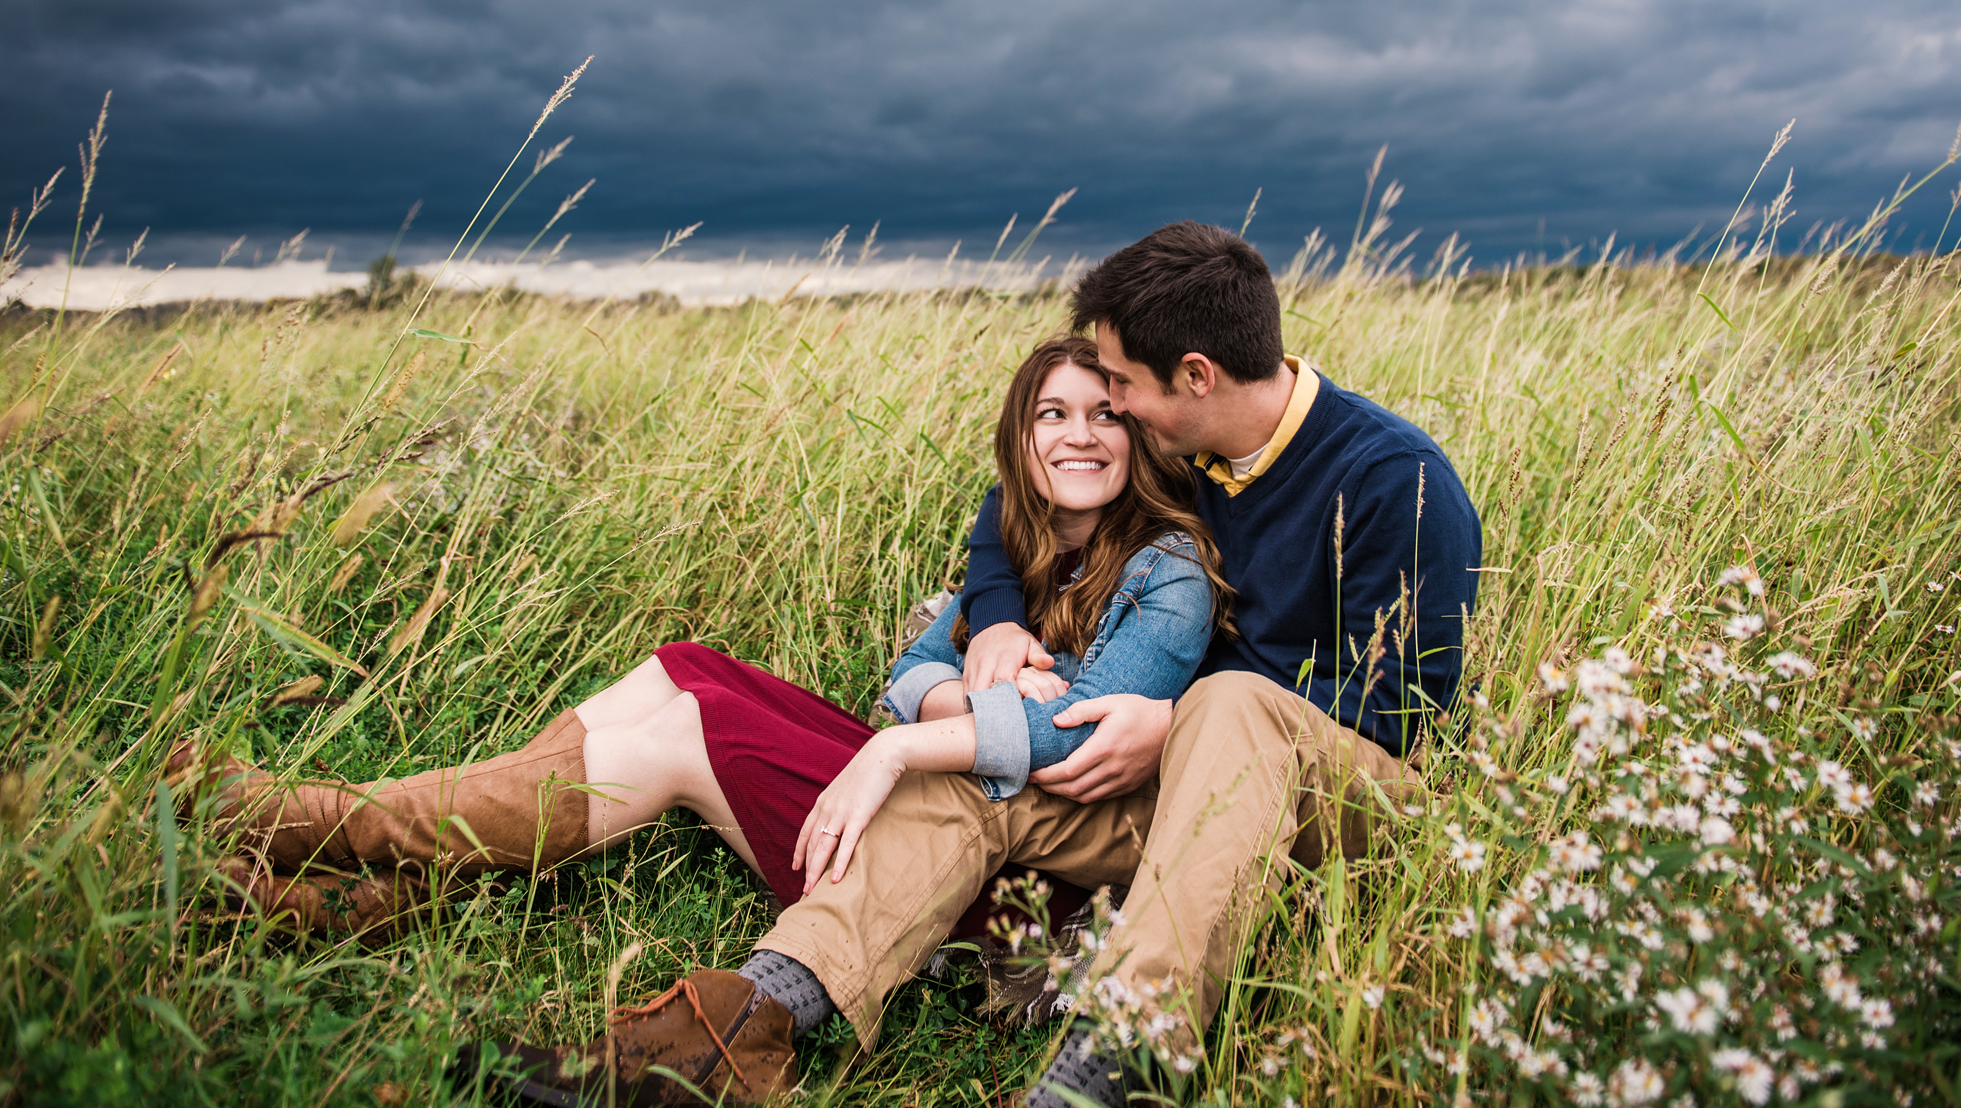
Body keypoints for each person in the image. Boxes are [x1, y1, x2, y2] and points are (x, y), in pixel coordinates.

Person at [477, 222, 1482, 1107]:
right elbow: (1019, 504)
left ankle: (1119, 1062)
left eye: (1120, 386)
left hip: (1340, 805)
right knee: (971, 771)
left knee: (1231, 699)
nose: (1109, 412)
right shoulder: (1191, 444)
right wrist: (994, 619)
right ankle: (738, 1030)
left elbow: (1408, 716)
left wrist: (1172, 722)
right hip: (1172, 787)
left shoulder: (1393, 479)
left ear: (1194, 376)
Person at [167, 337, 1231, 1086]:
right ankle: (357, 892)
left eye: (1103, 413)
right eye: (1052, 412)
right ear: (1021, 431)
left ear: (1142, 434)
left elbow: (1069, 743)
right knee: (683, 665)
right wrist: (968, 676)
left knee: (684, 731)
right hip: (933, 785)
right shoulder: (1023, 541)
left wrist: (906, 740)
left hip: (987, 872)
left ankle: (323, 822)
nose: (1078, 434)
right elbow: (903, 672)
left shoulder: (1167, 566)